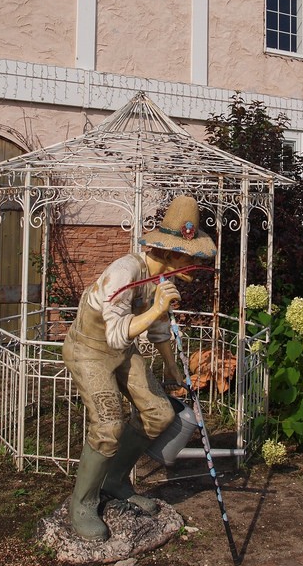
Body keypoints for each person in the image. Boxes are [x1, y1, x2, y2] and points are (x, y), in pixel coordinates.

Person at [62, 195, 217, 542]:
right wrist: (157, 306)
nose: (191, 263)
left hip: (120, 350)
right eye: (187, 256)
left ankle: (115, 481)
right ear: (169, 251)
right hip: (90, 350)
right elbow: (117, 333)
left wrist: (172, 367)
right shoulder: (125, 270)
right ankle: (83, 503)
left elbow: (159, 327)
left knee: (159, 413)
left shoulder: (161, 278)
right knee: (109, 424)